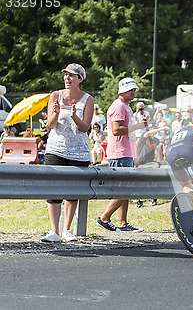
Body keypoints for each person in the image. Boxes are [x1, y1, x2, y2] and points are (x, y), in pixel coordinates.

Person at [42, 63, 94, 242]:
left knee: (72, 193)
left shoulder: (88, 99)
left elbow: (85, 128)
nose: (67, 78)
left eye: (71, 75)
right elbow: (51, 124)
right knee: (54, 191)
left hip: (78, 153)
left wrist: (74, 117)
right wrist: (56, 113)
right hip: (56, 149)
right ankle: (54, 232)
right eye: (65, 75)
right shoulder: (55, 95)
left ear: (80, 79)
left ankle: (67, 230)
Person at [97, 77, 147, 232]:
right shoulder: (118, 106)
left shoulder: (125, 106)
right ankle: (104, 218)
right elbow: (116, 130)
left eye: (134, 90)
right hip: (119, 153)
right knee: (125, 189)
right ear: (123, 91)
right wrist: (138, 126)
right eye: (131, 89)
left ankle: (123, 223)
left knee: (125, 189)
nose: (133, 92)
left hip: (125, 152)